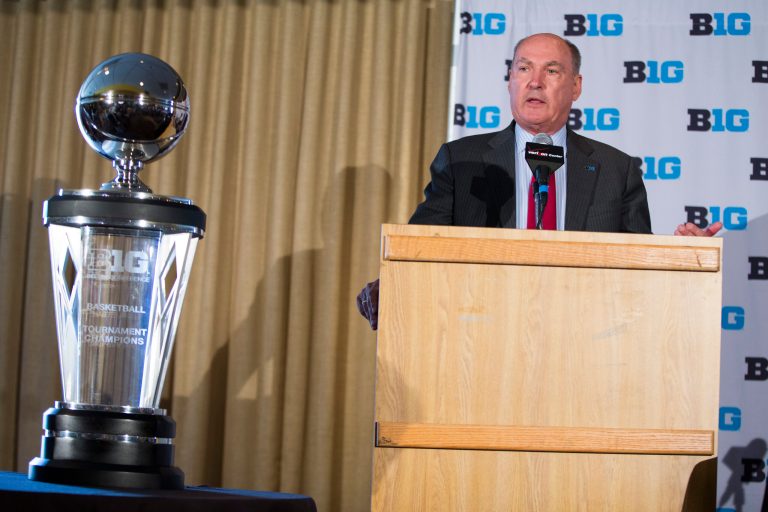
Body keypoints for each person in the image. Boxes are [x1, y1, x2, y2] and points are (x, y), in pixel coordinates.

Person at [357, 33, 721, 330]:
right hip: (480, 334)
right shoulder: (461, 161)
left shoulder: (616, 170)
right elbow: (422, 246)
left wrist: (684, 258)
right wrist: (392, 285)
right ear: (511, 80)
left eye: (552, 71)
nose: (535, 81)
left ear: (576, 86)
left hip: (584, 339)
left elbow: (637, 272)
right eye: (523, 68)